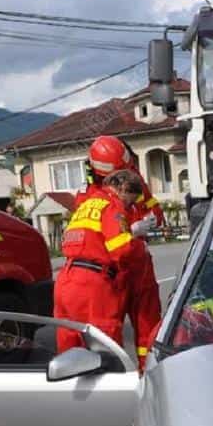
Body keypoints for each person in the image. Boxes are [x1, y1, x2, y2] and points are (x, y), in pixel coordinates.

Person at [82, 135, 163, 370]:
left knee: (149, 327)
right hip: (113, 272)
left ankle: (149, 374)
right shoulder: (91, 197)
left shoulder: (136, 183)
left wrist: (152, 220)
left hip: (140, 267)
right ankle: (114, 381)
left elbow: (154, 209)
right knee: (108, 330)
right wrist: (131, 231)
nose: (126, 180)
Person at [54, 169, 146, 355]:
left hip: (66, 279)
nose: (129, 207)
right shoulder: (113, 205)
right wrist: (139, 245)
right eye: (130, 200)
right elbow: (121, 249)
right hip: (92, 283)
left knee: (70, 343)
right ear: (124, 189)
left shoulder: (87, 204)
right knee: (106, 342)